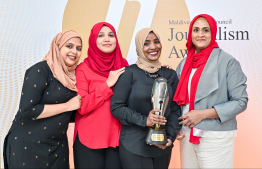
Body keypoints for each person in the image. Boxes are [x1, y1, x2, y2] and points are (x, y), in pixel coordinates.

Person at [174, 14, 248, 168]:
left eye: (205, 30)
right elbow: (179, 99)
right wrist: (176, 127)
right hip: (187, 134)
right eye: (196, 30)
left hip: (215, 136)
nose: (200, 34)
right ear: (190, 33)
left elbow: (240, 101)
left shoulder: (227, 62)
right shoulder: (184, 63)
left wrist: (202, 114)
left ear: (213, 33)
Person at [3, 30, 83, 168]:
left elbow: (70, 115)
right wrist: (67, 106)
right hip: (28, 145)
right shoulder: (40, 70)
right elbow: (27, 110)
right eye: (69, 46)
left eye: (79, 48)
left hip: (57, 148)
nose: (74, 52)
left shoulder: (72, 76)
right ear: (57, 47)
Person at [110, 28, 181, 169]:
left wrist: (170, 137)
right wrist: (145, 121)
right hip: (134, 146)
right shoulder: (129, 73)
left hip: (162, 147)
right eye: (146, 43)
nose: (153, 47)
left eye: (156, 42)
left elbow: (175, 110)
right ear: (139, 47)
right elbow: (116, 107)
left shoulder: (170, 74)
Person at [73, 22, 128, 169]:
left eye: (111, 35)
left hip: (117, 139)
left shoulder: (124, 66)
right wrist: (107, 84)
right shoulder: (83, 69)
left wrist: (161, 71)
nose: (107, 39)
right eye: (101, 35)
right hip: (88, 139)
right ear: (93, 40)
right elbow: (82, 106)